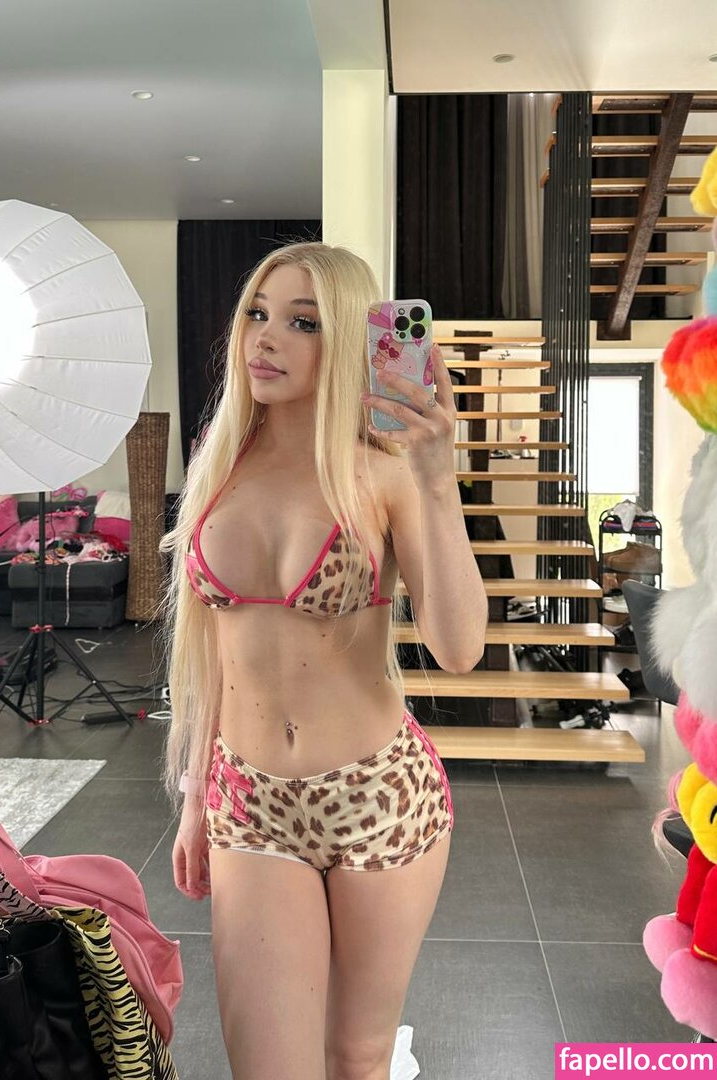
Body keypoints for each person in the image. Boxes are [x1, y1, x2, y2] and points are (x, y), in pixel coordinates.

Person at [160, 241, 488, 1080]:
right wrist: (196, 796)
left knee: (356, 1059)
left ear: (345, 337)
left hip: (377, 795)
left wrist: (438, 481)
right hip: (250, 802)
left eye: (302, 322)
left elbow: (458, 650)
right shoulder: (218, 467)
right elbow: (212, 657)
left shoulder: (382, 472)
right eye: (257, 314)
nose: (265, 338)